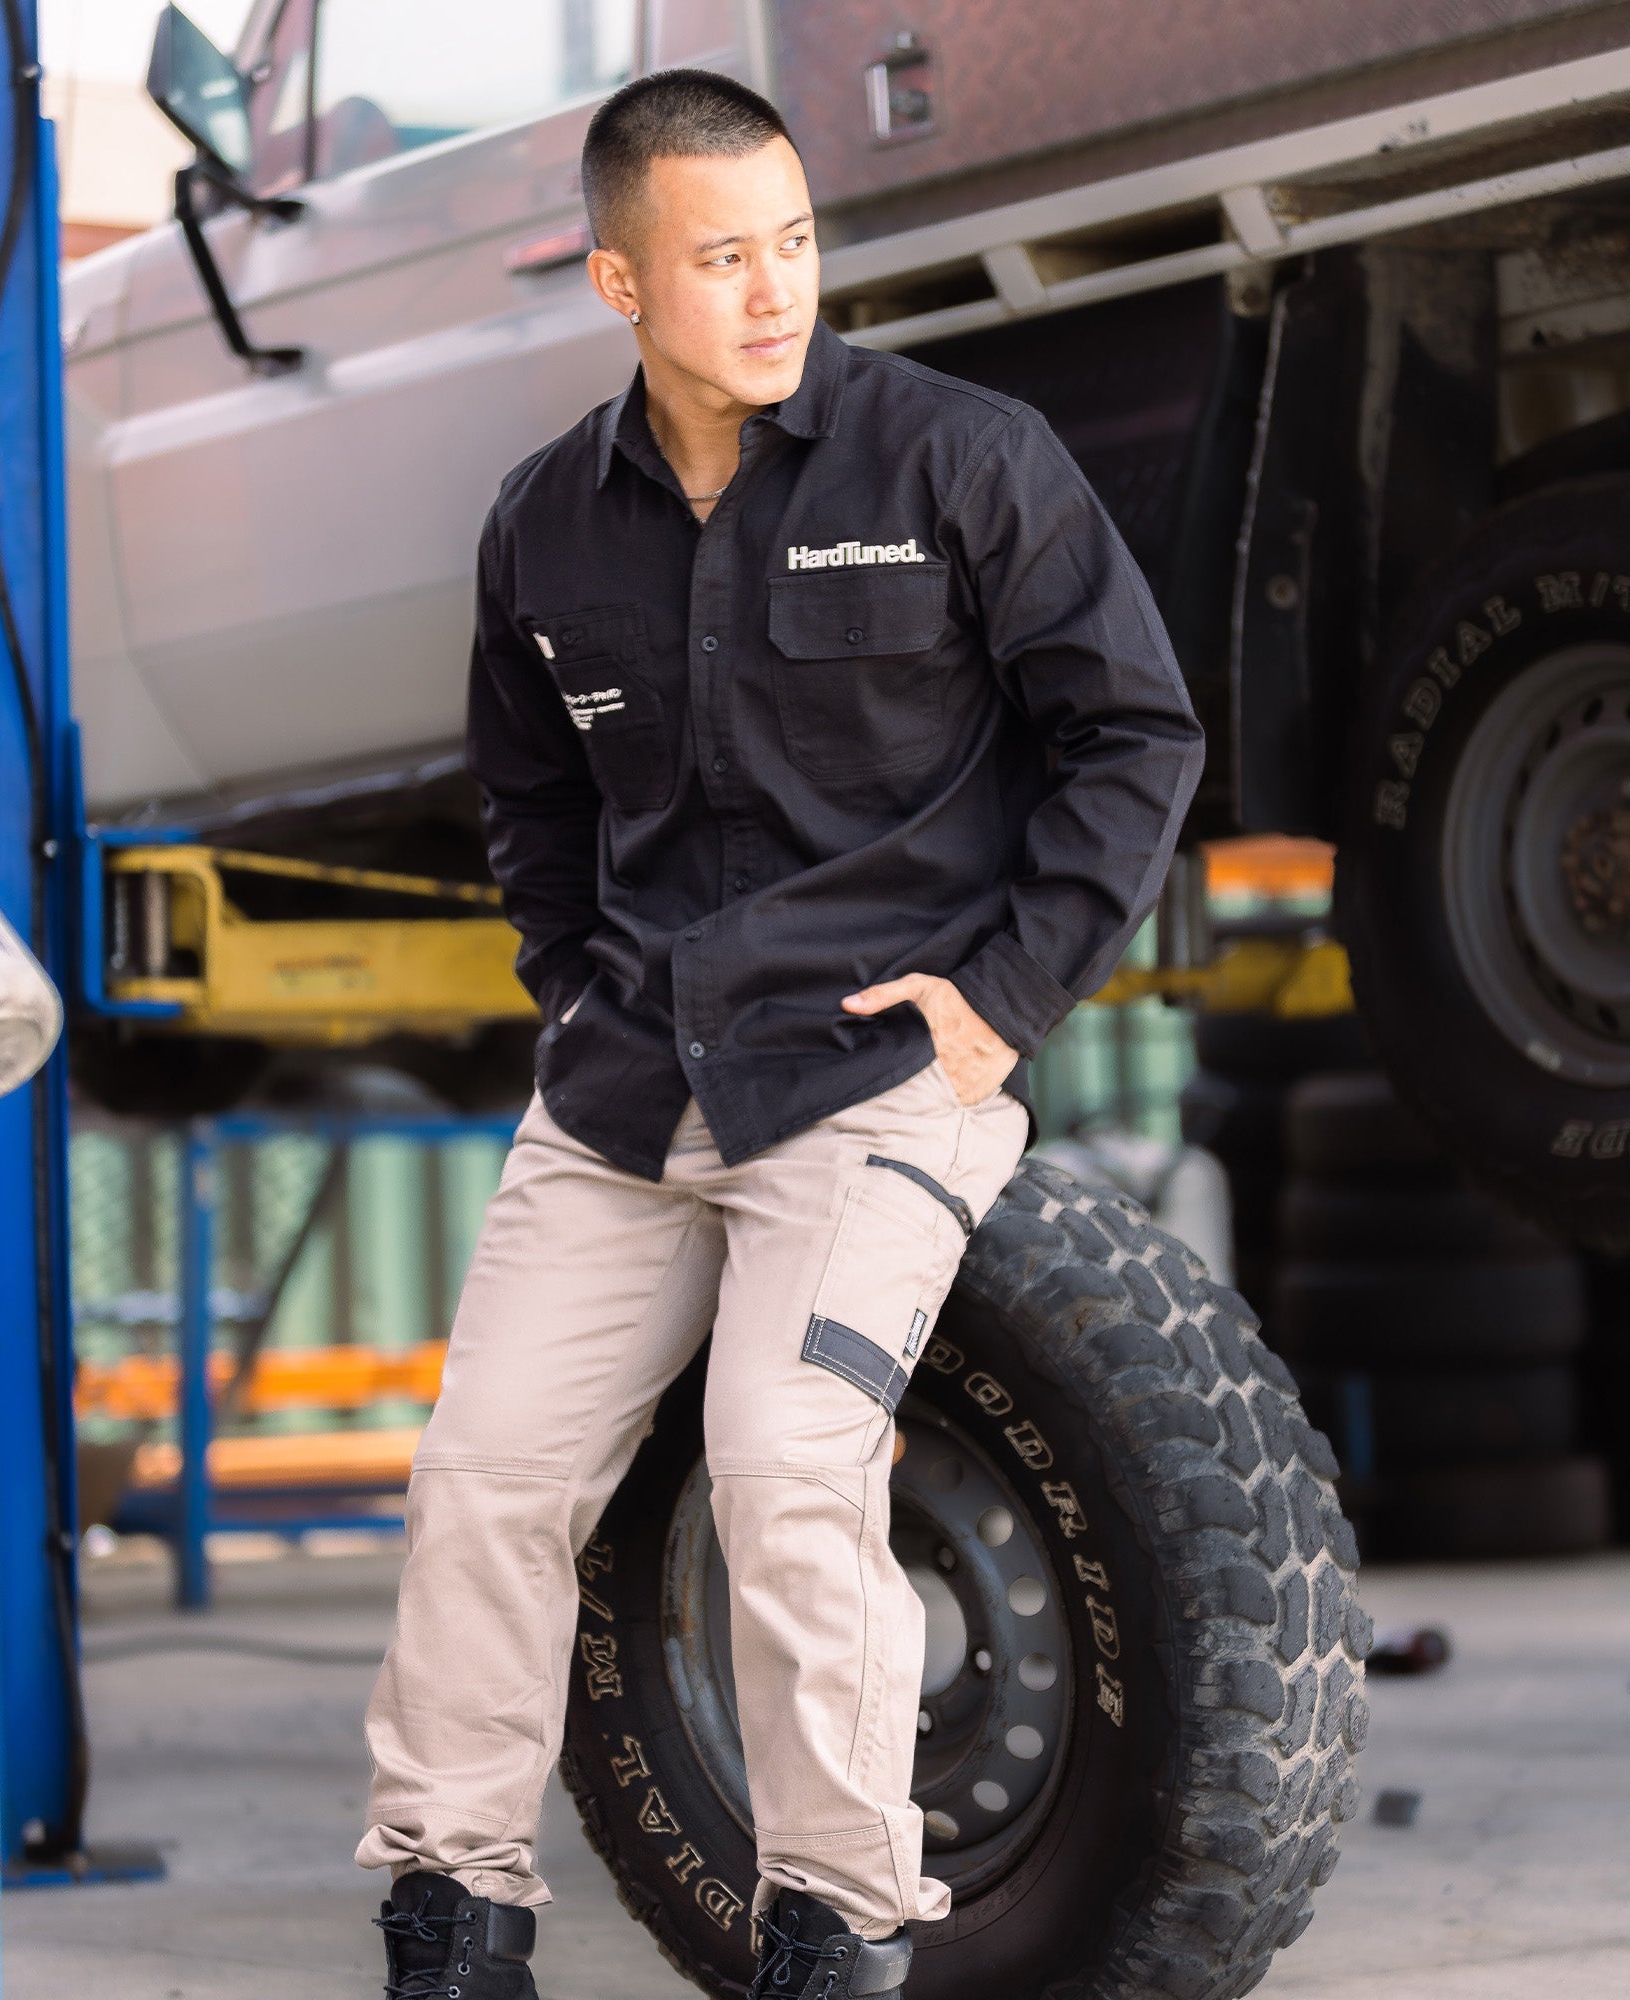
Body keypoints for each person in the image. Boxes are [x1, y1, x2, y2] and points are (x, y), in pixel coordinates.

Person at [358, 67, 1204, 2000]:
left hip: (869, 1078)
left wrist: (1001, 1004)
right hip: (626, 1086)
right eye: (723, 257)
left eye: (796, 244)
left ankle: (837, 1925)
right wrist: (573, 986)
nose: (774, 291)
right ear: (619, 282)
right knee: (482, 1481)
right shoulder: (544, 524)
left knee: (782, 1463)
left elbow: (1134, 737)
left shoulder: (957, 459)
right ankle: (453, 1914)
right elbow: (530, 803)